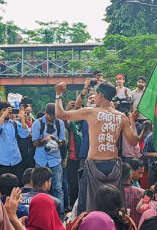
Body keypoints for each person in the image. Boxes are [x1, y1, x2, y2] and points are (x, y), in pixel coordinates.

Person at [54, 81, 139, 213]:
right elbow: (134, 141)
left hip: (94, 165)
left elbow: (60, 114)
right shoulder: (121, 117)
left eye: (96, 94)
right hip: (114, 166)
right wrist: (132, 121)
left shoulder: (90, 112)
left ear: (100, 94)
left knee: (87, 207)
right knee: (114, 206)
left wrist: (58, 94)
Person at [31, 103, 66, 215]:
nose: (53, 119)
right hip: (41, 160)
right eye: (51, 116)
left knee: (58, 188)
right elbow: (35, 143)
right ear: (46, 114)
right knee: (39, 188)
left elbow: (62, 141)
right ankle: (41, 213)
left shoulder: (59, 123)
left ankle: (59, 214)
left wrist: (57, 143)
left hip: (55, 159)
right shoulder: (38, 123)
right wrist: (45, 140)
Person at [0, 101, 29, 183]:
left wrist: (22, 118)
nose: (7, 112)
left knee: (17, 184)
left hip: (16, 159)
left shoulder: (15, 123)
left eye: (8, 110)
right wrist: (4, 115)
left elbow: (24, 134)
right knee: (3, 185)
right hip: (1, 160)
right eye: (4, 110)